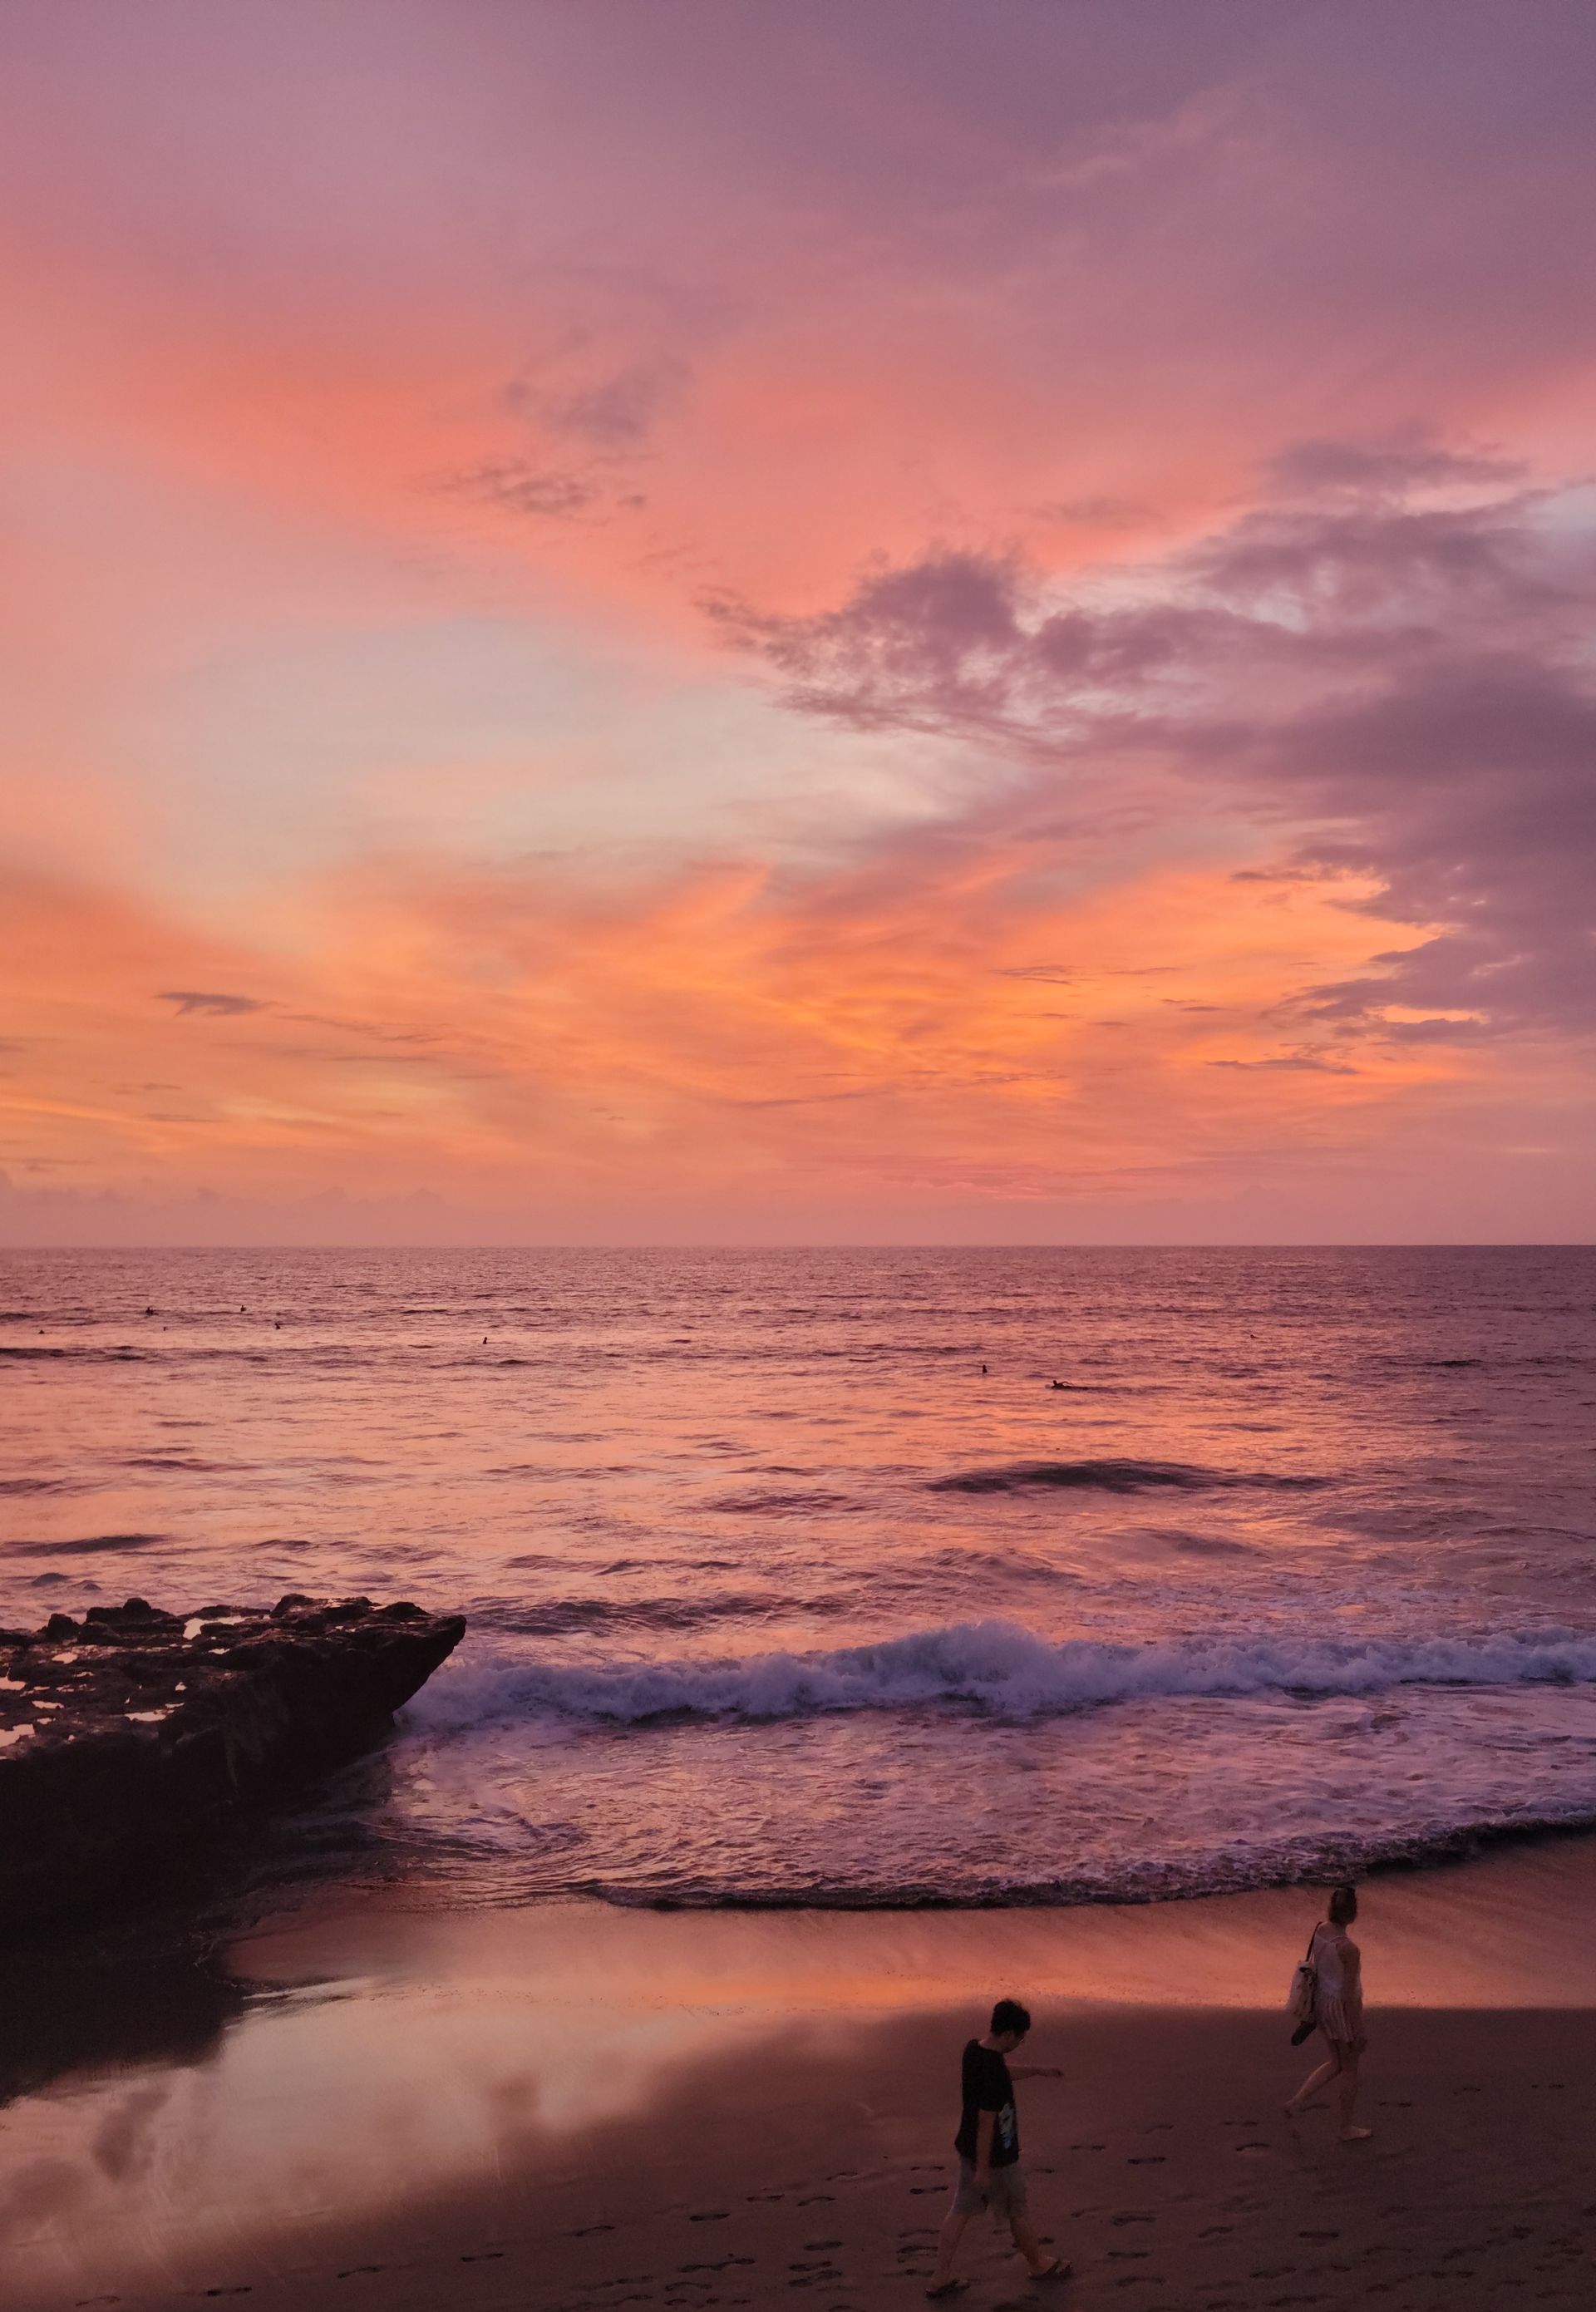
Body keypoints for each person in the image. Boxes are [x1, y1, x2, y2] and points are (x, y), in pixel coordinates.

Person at [924, 1998, 1069, 2299]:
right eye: (1020, 2037)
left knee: (960, 2211)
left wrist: (1037, 2070)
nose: (1021, 2042)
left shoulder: (973, 2050)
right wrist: (983, 2169)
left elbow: (1003, 2070)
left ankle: (940, 2278)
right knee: (1018, 2209)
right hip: (997, 2158)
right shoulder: (991, 2071)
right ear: (1007, 2035)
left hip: (968, 2149)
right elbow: (985, 2122)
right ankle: (1039, 2264)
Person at [1284, 1884, 1372, 2142]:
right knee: (1350, 2067)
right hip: (1339, 2008)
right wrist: (1358, 2028)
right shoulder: (1349, 1949)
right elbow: (1347, 1995)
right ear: (1353, 1914)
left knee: (1336, 2061)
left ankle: (1297, 2101)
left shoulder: (1321, 1930)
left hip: (1321, 2001)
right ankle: (1345, 2128)